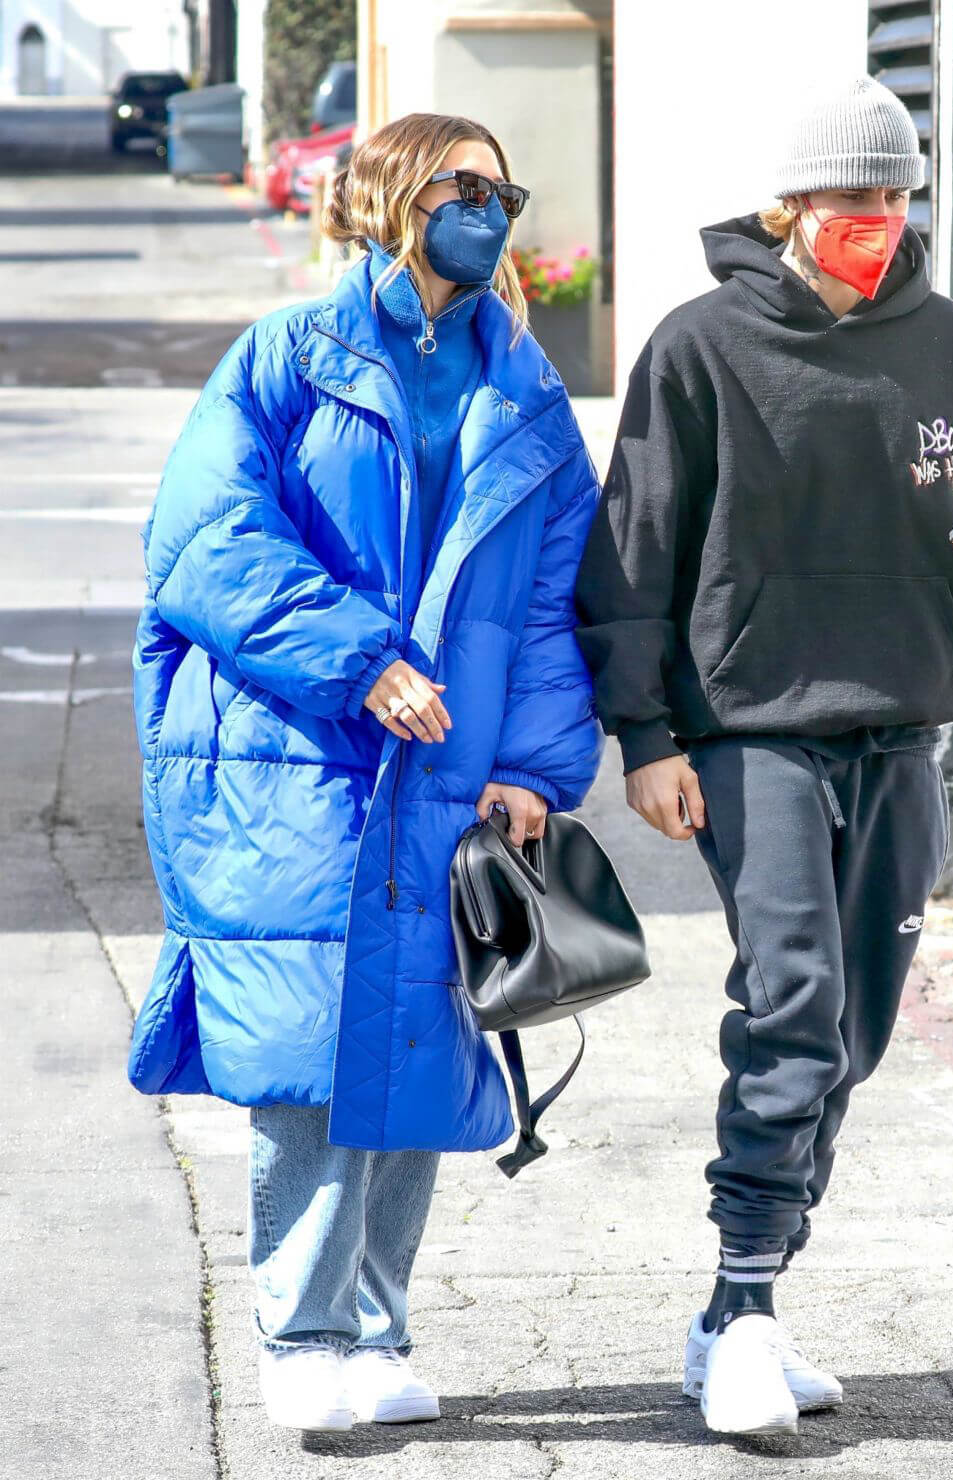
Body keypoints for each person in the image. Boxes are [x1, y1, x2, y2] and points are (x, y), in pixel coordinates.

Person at [576, 75, 953, 1438]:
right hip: (753, 732)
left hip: (902, 722)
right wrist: (649, 739)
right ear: (788, 206)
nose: (883, 221)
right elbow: (633, 559)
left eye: (900, 197)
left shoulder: (945, 341)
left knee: (855, 1031)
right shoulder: (700, 348)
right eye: (855, 200)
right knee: (791, 1004)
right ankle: (747, 1309)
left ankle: (739, 1311)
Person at [127, 113, 603, 1433]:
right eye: (466, 184)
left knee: (411, 1044)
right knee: (305, 1057)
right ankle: (302, 1333)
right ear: (395, 195)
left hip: (450, 771)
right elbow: (202, 540)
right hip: (296, 758)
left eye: (506, 188)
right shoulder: (284, 358)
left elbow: (554, 599)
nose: (491, 207)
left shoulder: (525, 385)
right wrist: (358, 658)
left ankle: (376, 1333)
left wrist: (538, 768)